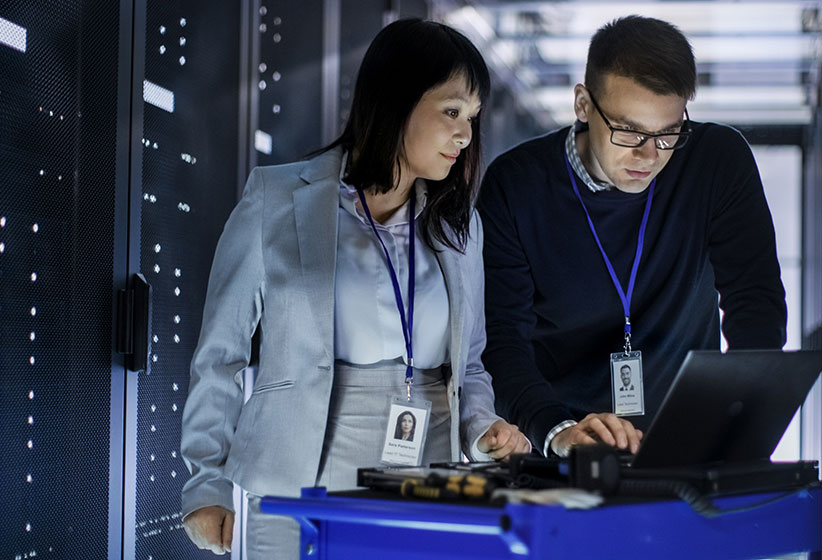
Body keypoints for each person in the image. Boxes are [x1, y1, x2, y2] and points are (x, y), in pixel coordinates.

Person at [180, 18, 528, 558]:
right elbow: (220, 356)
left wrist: (483, 431)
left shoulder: (460, 228)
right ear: (396, 100)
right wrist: (206, 481)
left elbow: (472, 365)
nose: (465, 134)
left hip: (428, 477)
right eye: (452, 111)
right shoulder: (275, 199)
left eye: (473, 118)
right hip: (297, 474)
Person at [477, 15, 786, 459]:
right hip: (564, 439)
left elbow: (754, 302)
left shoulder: (715, 161)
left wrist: (739, 420)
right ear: (583, 104)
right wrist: (557, 430)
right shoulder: (517, 185)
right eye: (628, 131)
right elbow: (502, 339)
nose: (648, 155)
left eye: (668, 133)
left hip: (686, 439)